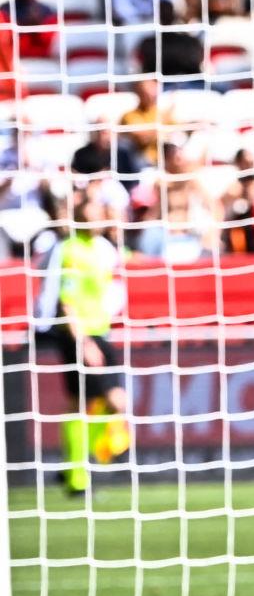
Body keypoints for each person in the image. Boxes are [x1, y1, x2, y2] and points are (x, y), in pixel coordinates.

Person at [33, 185, 132, 495]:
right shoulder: (72, 249)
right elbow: (67, 301)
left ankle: (74, 467)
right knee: (100, 401)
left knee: (91, 403)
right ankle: (78, 476)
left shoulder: (102, 247)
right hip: (78, 334)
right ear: (81, 214)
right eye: (94, 209)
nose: (100, 214)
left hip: (100, 331)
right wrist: (82, 342)